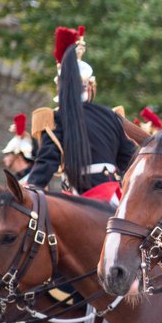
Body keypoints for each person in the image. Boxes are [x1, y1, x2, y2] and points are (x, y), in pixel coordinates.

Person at [27, 27, 135, 205]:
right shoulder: (111, 116)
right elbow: (129, 161)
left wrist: (28, 190)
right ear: (90, 87)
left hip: (78, 199)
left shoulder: (57, 118)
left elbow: (47, 162)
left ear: (60, 87)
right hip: (116, 197)